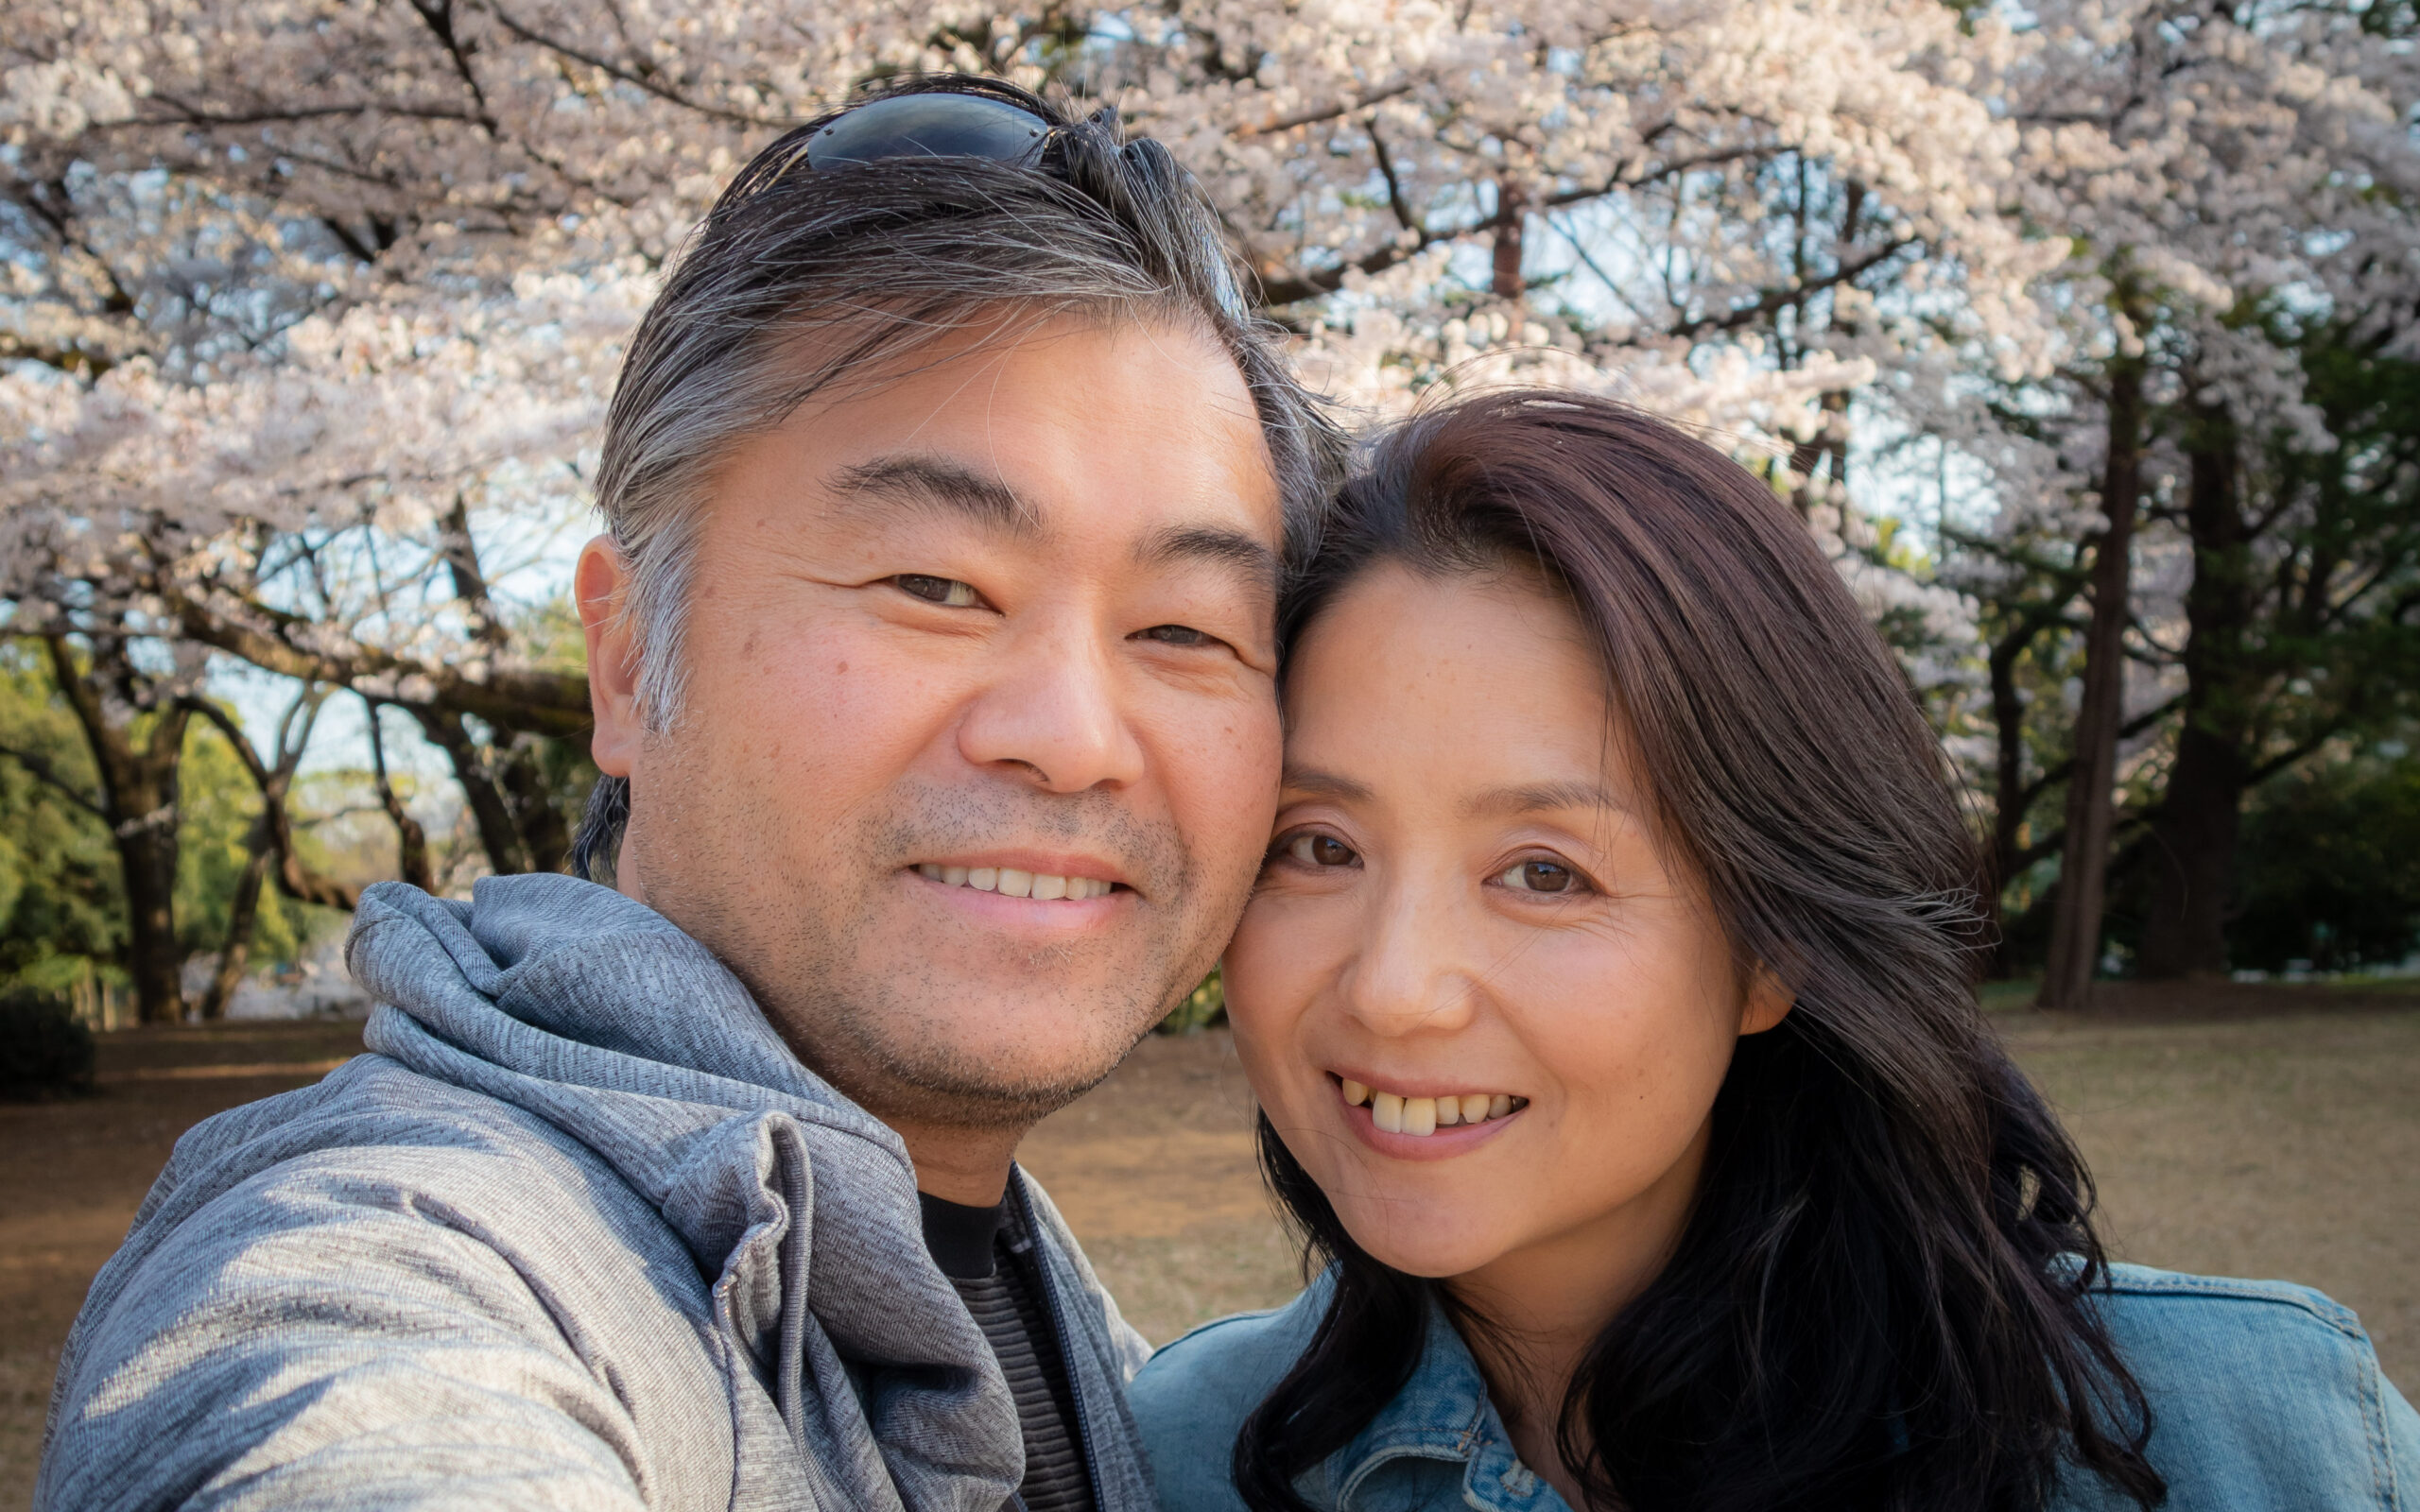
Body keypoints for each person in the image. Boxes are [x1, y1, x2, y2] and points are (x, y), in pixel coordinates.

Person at [38, 76, 1342, 1511]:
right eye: (932, 586)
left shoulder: (1065, 1316)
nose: (1074, 737)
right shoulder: (410, 1248)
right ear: (623, 660)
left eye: (1182, 631)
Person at [1129, 390, 2420, 1512]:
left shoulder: (2252, 1445)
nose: (1394, 989)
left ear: (1774, 943)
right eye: (1319, 846)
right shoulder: (1176, 1460)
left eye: (1545, 873)